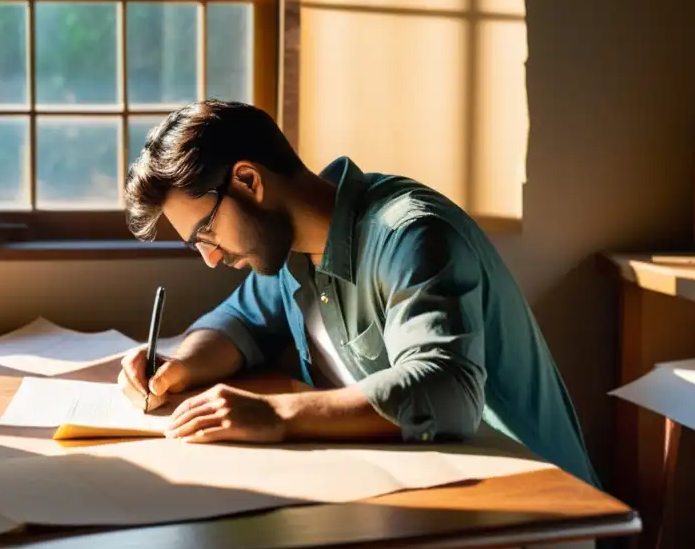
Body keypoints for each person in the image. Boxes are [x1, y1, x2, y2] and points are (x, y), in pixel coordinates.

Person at [118, 99, 599, 488]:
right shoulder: (287, 250)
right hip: (426, 488)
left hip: (544, 513)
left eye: (206, 231)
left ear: (249, 181)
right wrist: (179, 365)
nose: (211, 258)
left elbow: (447, 389)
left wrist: (276, 413)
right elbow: (238, 321)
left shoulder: (410, 235)